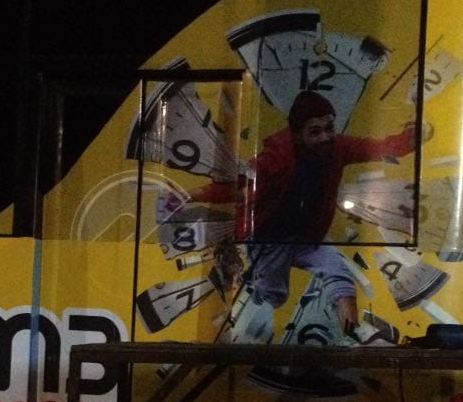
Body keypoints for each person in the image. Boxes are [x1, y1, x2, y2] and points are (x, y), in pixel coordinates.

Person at [170, 90, 420, 345]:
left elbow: (373, 148)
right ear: (298, 135)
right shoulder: (276, 159)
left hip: (310, 236)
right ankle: (256, 298)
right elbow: (238, 185)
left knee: (340, 278)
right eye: (315, 132)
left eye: (329, 128)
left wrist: (406, 141)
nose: (325, 137)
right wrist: (191, 195)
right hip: (271, 240)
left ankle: (351, 335)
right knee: (275, 297)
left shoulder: (338, 148)